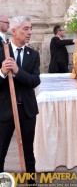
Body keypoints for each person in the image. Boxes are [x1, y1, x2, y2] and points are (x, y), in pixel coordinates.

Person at [0, 16, 40, 177]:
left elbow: (34, 81)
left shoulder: (33, 54)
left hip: (27, 111)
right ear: (14, 31)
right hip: (4, 110)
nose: (30, 32)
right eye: (26, 29)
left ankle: (30, 182)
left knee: (29, 154)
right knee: (0, 152)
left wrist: (17, 71)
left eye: (31, 28)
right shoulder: (2, 52)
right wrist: (2, 72)